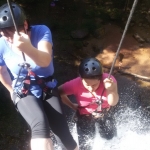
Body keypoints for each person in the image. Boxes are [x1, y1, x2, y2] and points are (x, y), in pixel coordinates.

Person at [0, 3, 78, 150]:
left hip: (47, 86)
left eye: (10, 33)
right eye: (3, 34)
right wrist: (10, 90)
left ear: (25, 24)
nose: (8, 38)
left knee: (63, 134)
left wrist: (27, 48)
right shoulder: (1, 44)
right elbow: (1, 71)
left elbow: (45, 60)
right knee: (40, 124)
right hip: (23, 89)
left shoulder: (41, 31)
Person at [58, 57, 119, 150]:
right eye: (87, 84)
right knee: (86, 146)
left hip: (104, 113)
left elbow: (113, 102)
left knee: (111, 140)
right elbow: (58, 93)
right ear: (81, 78)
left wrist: (111, 90)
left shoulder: (108, 81)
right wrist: (72, 105)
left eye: (94, 85)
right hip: (85, 116)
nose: (91, 88)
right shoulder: (75, 84)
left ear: (100, 79)